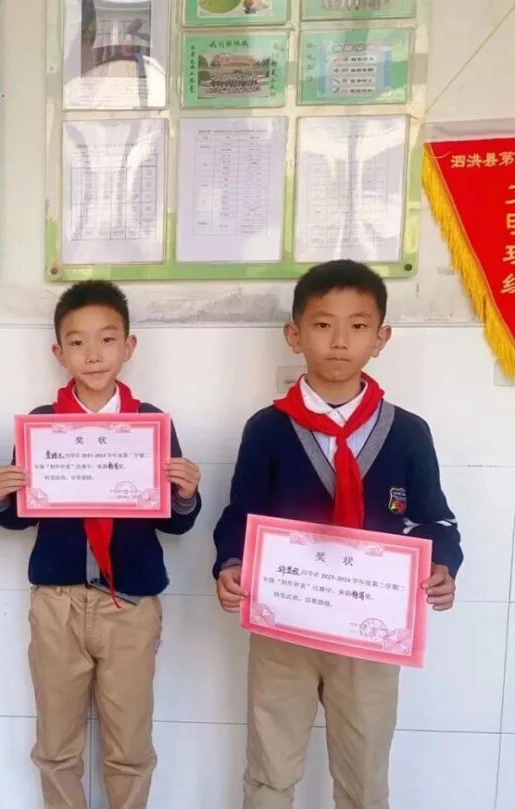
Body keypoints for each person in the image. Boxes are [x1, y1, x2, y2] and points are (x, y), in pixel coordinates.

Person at [212, 260, 462, 809]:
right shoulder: (267, 429)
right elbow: (241, 514)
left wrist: (443, 564)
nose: (340, 340)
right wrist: (230, 564)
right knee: (270, 771)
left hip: (371, 633)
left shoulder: (408, 432)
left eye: (358, 325)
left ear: (381, 338)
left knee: (364, 775)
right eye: (323, 325)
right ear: (295, 334)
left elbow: (435, 519)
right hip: (283, 627)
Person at [0, 280, 202, 809]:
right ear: (58, 352)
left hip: (129, 604)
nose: (93, 354)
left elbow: (175, 526)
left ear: (129, 346)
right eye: (77, 342)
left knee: (129, 743)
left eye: (107, 340)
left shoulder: (151, 424)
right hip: (57, 603)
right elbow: (18, 520)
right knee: (56, 743)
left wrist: (185, 495)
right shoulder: (41, 425)